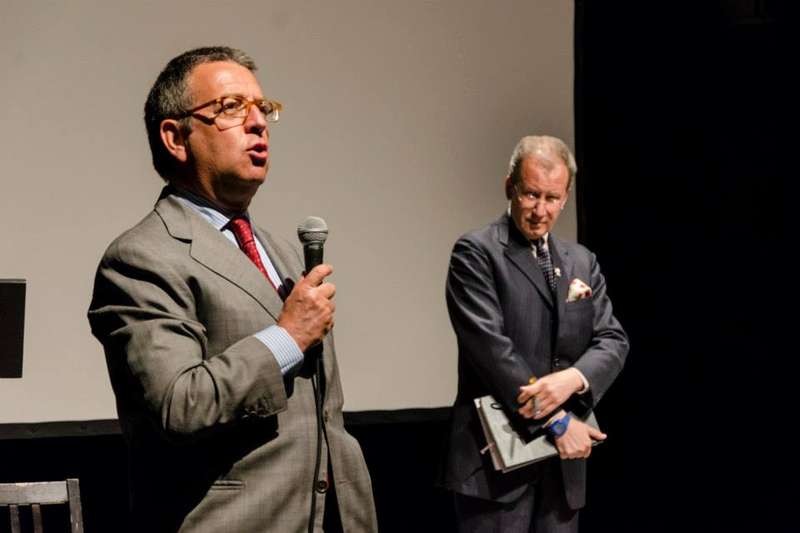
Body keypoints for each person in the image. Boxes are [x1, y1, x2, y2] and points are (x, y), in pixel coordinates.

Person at [87, 46, 377, 533]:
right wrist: (287, 337)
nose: (258, 122)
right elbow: (179, 405)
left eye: (262, 108)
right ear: (175, 137)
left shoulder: (281, 252)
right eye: (231, 107)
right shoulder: (141, 258)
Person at [442, 135, 629, 532]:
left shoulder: (581, 261)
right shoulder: (476, 253)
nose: (540, 210)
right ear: (509, 187)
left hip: (562, 475)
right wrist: (557, 421)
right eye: (531, 195)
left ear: (566, 197)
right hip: (495, 472)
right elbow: (493, 353)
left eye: (552, 198)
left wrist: (572, 379)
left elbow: (613, 340)